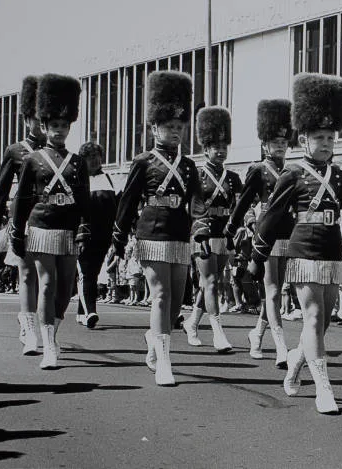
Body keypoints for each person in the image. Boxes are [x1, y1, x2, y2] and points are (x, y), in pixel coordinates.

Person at [247, 73, 342, 414]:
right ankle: (324, 388)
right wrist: (257, 252)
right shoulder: (292, 173)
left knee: (324, 322)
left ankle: (295, 362)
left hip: (332, 251)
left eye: (330, 137)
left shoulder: (339, 176)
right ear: (304, 140)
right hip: (303, 250)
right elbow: (272, 216)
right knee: (313, 316)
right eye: (318, 137)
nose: (325, 142)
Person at [112, 71, 210, 386]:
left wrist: (202, 229)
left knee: (174, 303)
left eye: (180, 127)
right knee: (160, 295)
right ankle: (166, 362)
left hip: (180, 235)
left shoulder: (190, 165)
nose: (176, 132)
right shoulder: (143, 161)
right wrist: (118, 236)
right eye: (170, 127)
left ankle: (155, 340)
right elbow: (127, 202)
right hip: (151, 233)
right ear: (155, 127)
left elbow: (197, 202)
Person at [10, 74, 90, 370]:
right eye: (54, 126)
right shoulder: (33, 160)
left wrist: (85, 227)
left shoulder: (78, 162)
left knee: (66, 287)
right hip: (41, 227)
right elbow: (22, 199)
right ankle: (47, 348)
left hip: (68, 228)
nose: (59, 131)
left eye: (64, 126)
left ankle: (52, 334)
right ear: (44, 126)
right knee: (46, 283)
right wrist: (18, 231)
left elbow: (84, 199)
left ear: (69, 127)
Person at [226, 99, 293, 367]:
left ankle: (257, 333)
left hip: (288, 234)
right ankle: (280, 345)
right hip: (266, 234)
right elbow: (244, 203)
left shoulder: (293, 170)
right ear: (265, 144)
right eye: (275, 141)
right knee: (273, 292)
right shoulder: (258, 169)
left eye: (283, 141)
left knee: (277, 292)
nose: (280, 145)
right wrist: (233, 226)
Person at [182, 106, 241, 353]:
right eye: (215, 146)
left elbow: (239, 205)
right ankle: (218, 333)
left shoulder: (233, 177)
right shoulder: (195, 174)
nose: (220, 151)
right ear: (205, 148)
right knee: (211, 281)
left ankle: (192, 323)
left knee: (209, 284)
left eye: (224, 146)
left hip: (223, 235)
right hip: (202, 234)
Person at [0, 76, 44, 355]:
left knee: (50, 280)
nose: (40, 124)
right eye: (36, 119)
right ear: (27, 120)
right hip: (23, 216)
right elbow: (2, 189)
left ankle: (47, 324)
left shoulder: (57, 150)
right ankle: (29, 328)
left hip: (52, 217)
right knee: (27, 274)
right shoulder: (15, 150)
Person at [75, 142, 118, 328]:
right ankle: (90, 311)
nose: (94, 160)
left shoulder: (110, 180)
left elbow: (117, 209)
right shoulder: (77, 180)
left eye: (97, 156)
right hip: (84, 235)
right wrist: (80, 234)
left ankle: (80, 311)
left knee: (93, 272)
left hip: (104, 235)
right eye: (90, 156)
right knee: (86, 272)